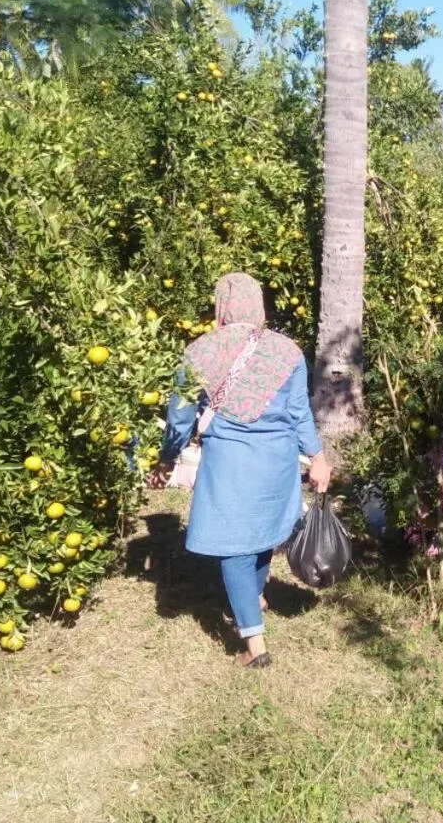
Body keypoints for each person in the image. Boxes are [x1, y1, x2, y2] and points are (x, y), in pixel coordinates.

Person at [149, 272, 331, 668]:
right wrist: (316, 457)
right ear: (258, 304)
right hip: (277, 461)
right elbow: (300, 412)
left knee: (234, 547)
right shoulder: (288, 351)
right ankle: (254, 596)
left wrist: (167, 458)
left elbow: (180, 418)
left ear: (221, 306)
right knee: (264, 532)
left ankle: (255, 646)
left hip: (231, 463)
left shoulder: (199, 352)